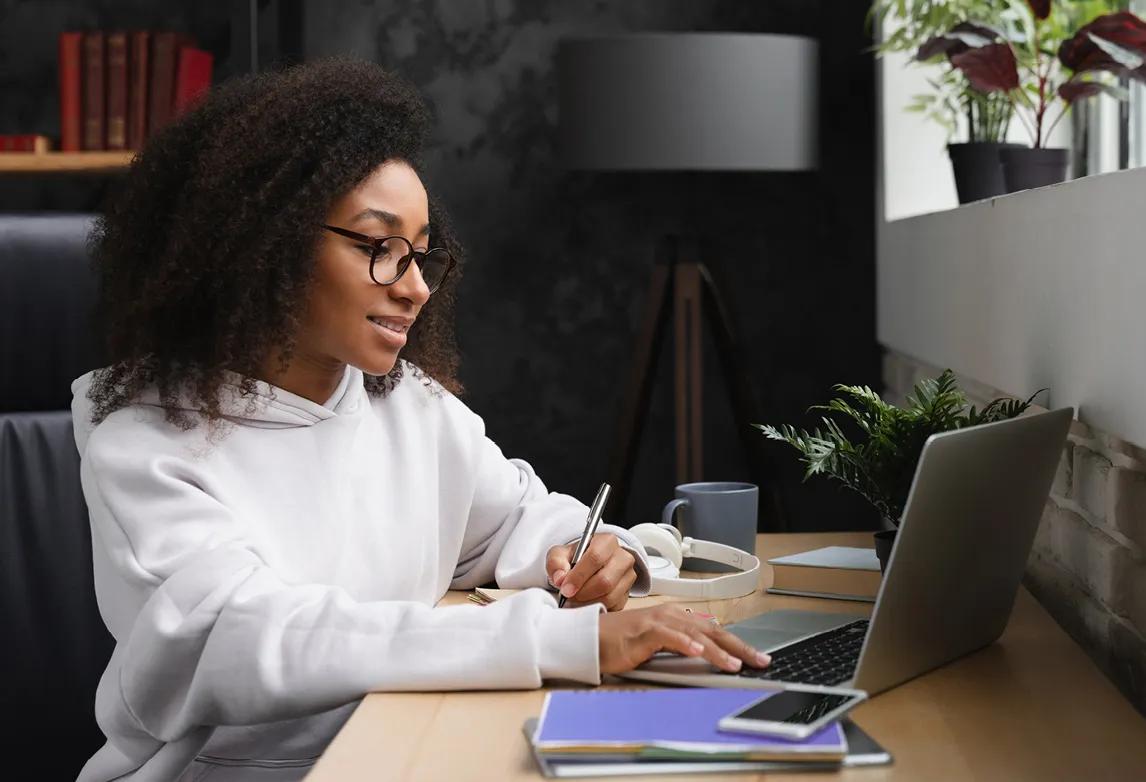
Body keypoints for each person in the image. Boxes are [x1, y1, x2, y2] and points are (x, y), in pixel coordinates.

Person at [70, 59, 770, 782]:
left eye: (422, 256)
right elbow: (257, 636)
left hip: (404, 752)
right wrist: (566, 641)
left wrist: (590, 549)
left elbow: (512, 521)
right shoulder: (146, 450)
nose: (413, 289)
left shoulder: (405, 402)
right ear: (262, 246)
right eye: (377, 249)